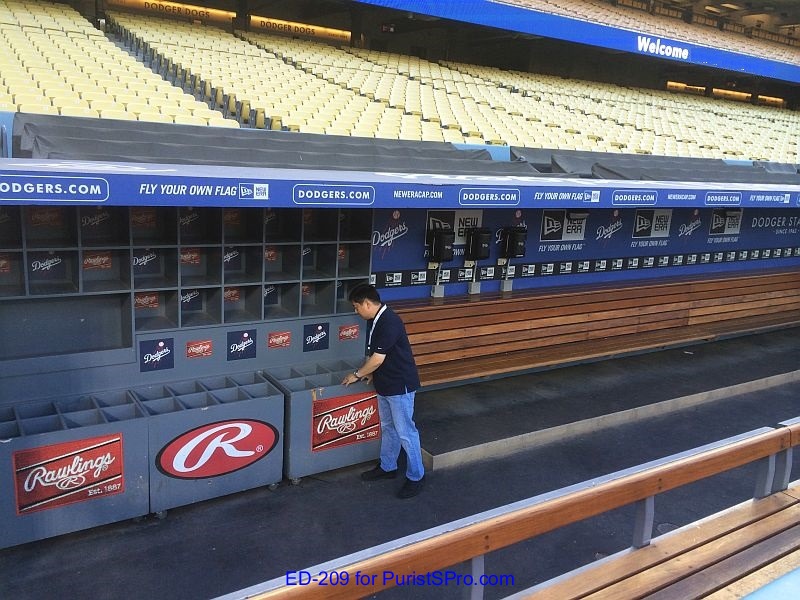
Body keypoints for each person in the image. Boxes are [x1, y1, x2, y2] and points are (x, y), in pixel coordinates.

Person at [342, 283, 425, 499]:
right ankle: (388, 467)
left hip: (400, 385)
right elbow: (375, 355)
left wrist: (358, 374)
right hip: (385, 384)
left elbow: (378, 359)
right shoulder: (374, 320)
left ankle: (416, 476)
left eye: (356, 307)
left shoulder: (389, 321)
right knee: (388, 428)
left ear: (367, 303)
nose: (355, 311)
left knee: (406, 432)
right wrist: (370, 373)